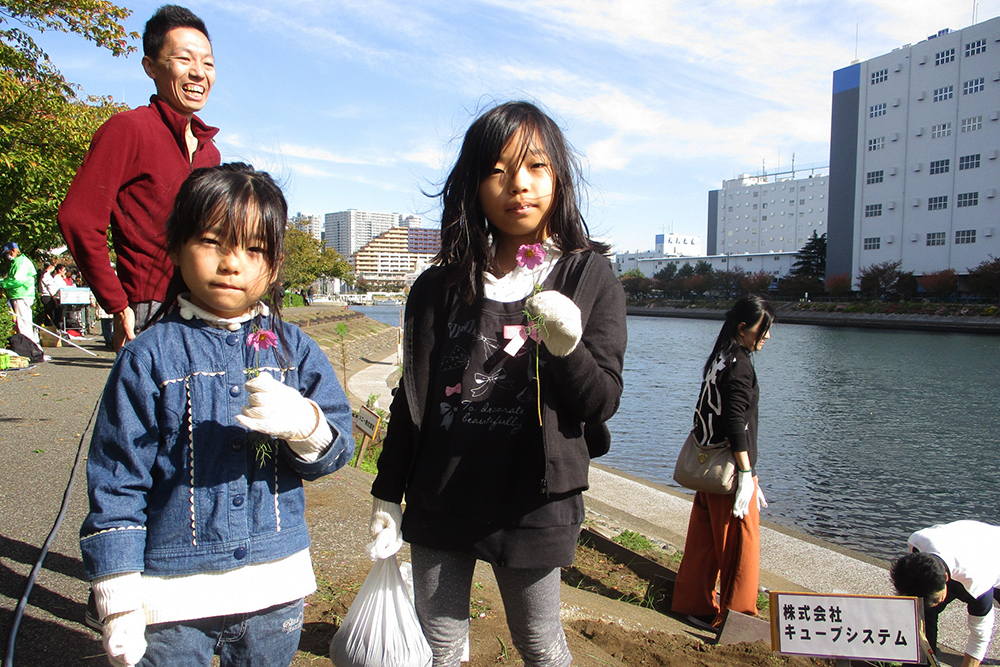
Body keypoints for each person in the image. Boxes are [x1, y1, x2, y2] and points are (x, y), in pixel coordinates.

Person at [367, 101, 627, 667]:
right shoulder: (439, 286)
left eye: (536, 166)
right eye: (498, 170)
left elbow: (600, 399)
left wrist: (565, 346)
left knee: (539, 643)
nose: (519, 185)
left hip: (533, 500)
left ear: (559, 176)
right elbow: (413, 398)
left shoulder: (588, 275)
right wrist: (388, 489)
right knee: (439, 646)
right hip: (443, 490)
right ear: (473, 183)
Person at [80, 163, 355, 667]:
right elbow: (117, 485)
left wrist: (307, 424)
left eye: (254, 249)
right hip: (172, 599)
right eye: (212, 241)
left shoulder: (295, 350)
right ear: (176, 246)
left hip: (276, 592)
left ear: (274, 265)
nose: (232, 263)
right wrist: (118, 603)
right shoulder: (147, 357)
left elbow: (337, 452)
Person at [58, 5, 220, 350]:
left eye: (207, 63)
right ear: (150, 66)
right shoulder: (128, 130)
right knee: (140, 404)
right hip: (152, 310)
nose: (198, 73)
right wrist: (116, 303)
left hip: (205, 308)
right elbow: (78, 219)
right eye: (184, 60)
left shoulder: (211, 153)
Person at [671, 295, 775, 630]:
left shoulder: (721, 357)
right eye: (764, 329)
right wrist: (747, 473)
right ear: (744, 328)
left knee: (703, 541)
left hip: (710, 467)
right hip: (729, 471)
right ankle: (737, 619)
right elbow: (735, 421)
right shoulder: (741, 365)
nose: (768, 336)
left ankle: (694, 604)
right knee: (739, 546)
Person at [890, 521, 1000, 667]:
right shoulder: (918, 542)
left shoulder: (977, 581)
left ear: (946, 579)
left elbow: (980, 636)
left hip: (991, 553)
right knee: (925, 611)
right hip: (969, 540)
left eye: (937, 599)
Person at [1, 241, 39, 344]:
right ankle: (29, 347)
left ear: (13, 251)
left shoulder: (20, 262)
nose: (7, 256)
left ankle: (27, 348)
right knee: (24, 323)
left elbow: (18, 280)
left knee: (23, 324)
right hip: (21, 295)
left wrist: (2, 283)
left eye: (8, 253)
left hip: (21, 295)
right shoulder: (20, 261)